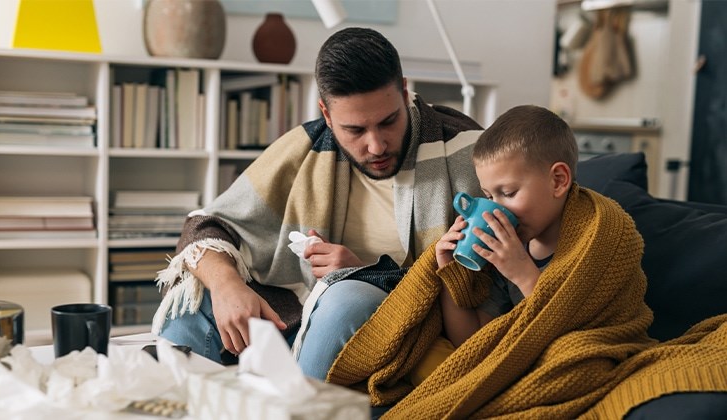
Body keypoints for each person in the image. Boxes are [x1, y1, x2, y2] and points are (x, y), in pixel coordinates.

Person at [326, 105, 727, 418]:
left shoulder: (600, 234)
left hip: (590, 352)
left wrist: (523, 272)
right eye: (489, 194)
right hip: (515, 359)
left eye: (508, 192)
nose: (496, 207)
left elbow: (591, 328)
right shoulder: (504, 246)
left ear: (558, 181)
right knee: (427, 363)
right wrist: (449, 277)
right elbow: (476, 341)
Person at [150, 27, 483, 380]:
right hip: (297, 310)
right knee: (189, 307)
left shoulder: (467, 152)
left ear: (403, 91)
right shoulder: (305, 147)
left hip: (395, 321)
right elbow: (204, 226)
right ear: (326, 114)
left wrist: (366, 274)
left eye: (388, 121)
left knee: (347, 298)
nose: (376, 146)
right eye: (355, 130)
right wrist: (226, 286)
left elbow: (486, 286)